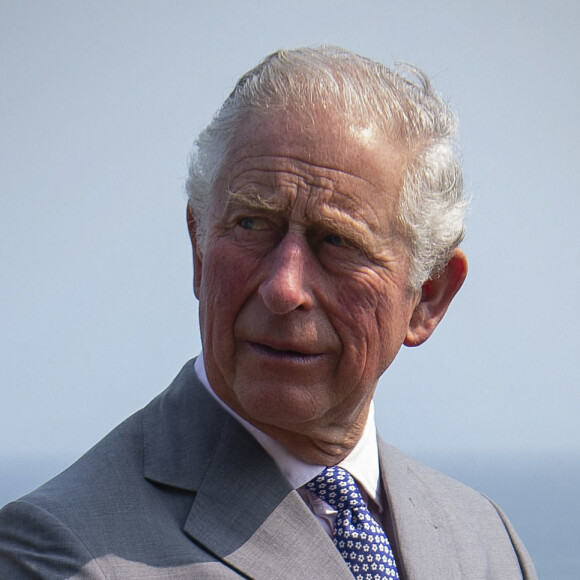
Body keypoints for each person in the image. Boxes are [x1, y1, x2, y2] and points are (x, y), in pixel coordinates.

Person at [0, 46, 537, 579]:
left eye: (337, 241)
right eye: (252, 225)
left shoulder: (485, 542)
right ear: (199, 250)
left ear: (428, 296)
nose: (284, 289)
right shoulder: (63, 552)